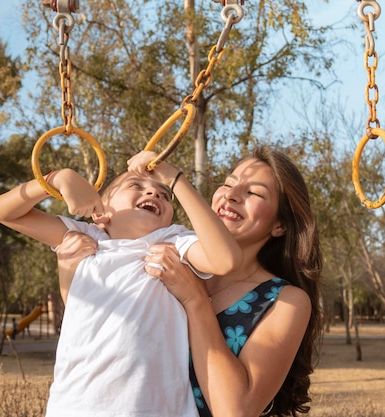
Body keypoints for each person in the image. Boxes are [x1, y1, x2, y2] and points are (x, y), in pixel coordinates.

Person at [56, 145, 322, 417]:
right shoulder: (168, 253)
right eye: (227, 184)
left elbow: (236, 411)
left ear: (281, 225)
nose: (230, 196)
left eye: (253, 193)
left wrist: (195, 301)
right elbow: (97, 327)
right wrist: (68, 269)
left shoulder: (285, 301)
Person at [0, 150, 242, 417]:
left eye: (165, 195)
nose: (155, 194)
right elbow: (2, 212)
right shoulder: (86, 238)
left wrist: (176, 180)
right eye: (135, 185)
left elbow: (225, 260)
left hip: (156, 410)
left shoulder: (173, 241)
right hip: (75, 406)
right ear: (100, 211)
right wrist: (55, 179)